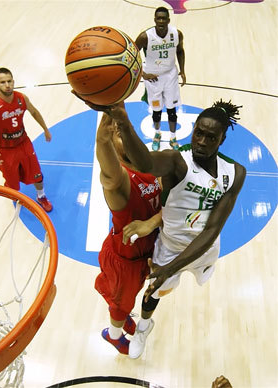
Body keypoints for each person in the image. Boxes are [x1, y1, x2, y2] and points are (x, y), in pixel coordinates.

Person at [91, 99, 246, 359]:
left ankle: (133, 319)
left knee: (156, 286)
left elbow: (211, 230)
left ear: (221, 140)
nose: (202, 142)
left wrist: (152, 223)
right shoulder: (171, 162)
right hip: (157, 251)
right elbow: (142, 163)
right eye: (199, 133)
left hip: (201, 249)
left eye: (211, 137)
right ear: (192, 130)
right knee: (145, 296)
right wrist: (119, 125)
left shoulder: (234, 173)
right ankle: (133, 330)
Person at [74, 95, 162, 355]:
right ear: (111, 148)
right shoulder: (119, 181)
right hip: (125, 260)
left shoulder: (148, 163)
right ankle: (114, 335)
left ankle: (123, 317)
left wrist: (117, 101)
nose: (124, 135)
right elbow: (107, 161)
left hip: (144, 252)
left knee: (128, 297)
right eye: (118, 135)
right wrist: (103, 135)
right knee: (121, 305)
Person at [0, 68, 52, 212]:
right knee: (13, 184)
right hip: (5, 150)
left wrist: (45, 129)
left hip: (23, 143)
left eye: (9, 81)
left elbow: (34, 112)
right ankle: (16, 196)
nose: (7, 85)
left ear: (13, 81)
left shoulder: (21, 98)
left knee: (37, 173)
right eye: (3, 82)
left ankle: (41, 196)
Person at [135, 6, 186, 151]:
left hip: (170, 76)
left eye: (164, 18)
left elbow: (180, 51)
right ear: (154, 19)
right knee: (156, 111)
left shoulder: (176, 34)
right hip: (153, 79)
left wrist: (182, 71)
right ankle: (157, 135)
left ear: (169, 20)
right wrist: (143, 74)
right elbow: (132, 55)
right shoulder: (145, 37)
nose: (161, 21)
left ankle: (173, 137)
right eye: (159, 18)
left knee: (172, 110)